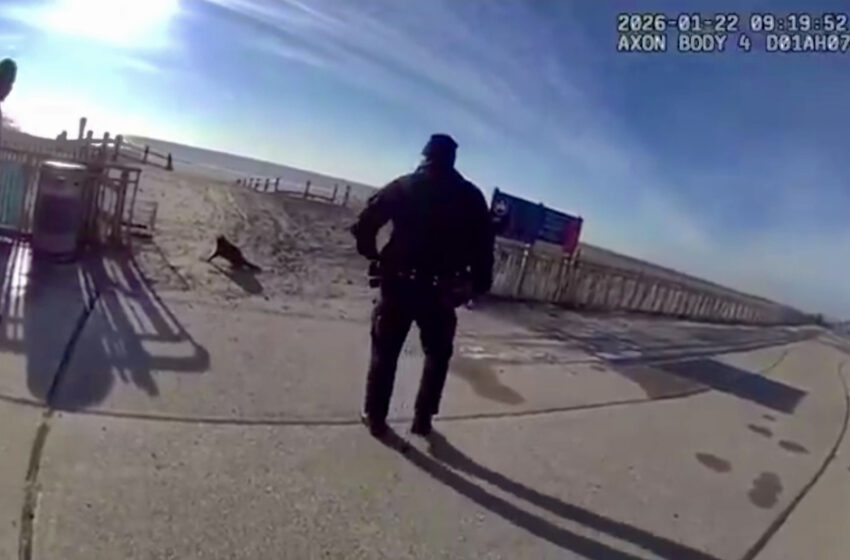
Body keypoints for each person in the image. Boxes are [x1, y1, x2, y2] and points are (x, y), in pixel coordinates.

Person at [350, 134, 494, 438]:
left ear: (425, 156)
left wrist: (372, 253)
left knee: (385, 352)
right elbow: (484, 245)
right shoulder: (471, 196)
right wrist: (478, 284)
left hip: (398, 284)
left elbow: (365, 222)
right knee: (438, 355)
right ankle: (423, 419)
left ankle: (376, 418)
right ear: (452, 160)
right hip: (442, 291)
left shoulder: (405, 185)